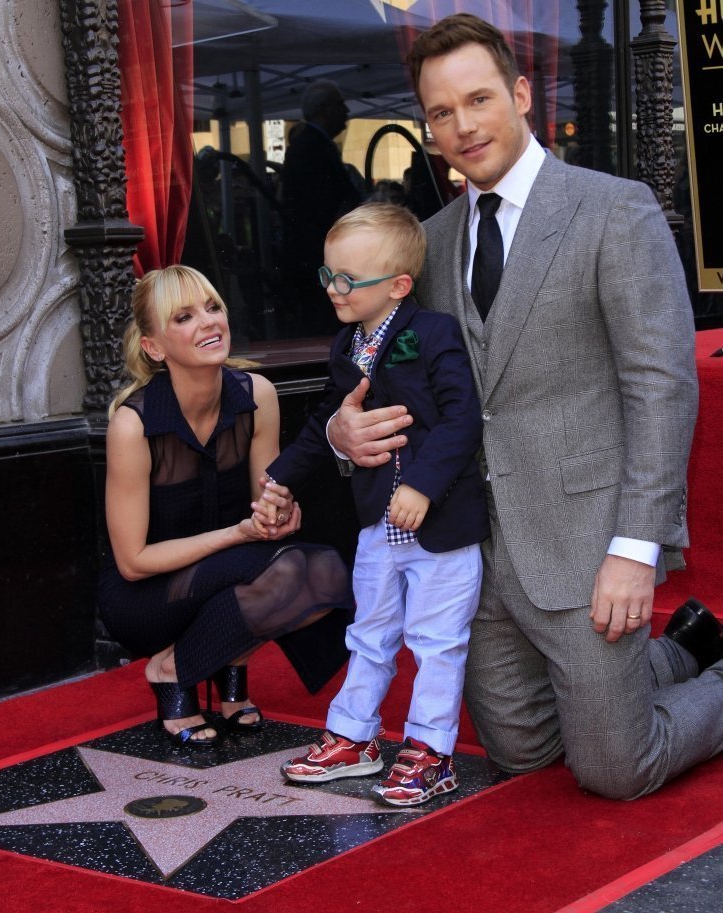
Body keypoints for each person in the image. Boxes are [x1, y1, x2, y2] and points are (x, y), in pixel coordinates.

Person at [326, 13, 723, 800]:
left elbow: (661, 385)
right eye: (441, 112)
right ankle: (678, 650)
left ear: (520, 93)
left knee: (615, 766)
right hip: (471, 552)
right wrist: (343, 431)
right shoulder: (427, 244)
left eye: (477, 99)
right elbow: (385, 369)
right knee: (523, 753)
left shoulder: (615, 208)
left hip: (584, 544)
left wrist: (636, 548)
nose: (463, 125)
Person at [262, 202, 488, 806]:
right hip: (376, 526)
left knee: (436, 640)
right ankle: (354, 737)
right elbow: (329, 423)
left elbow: (463, 419)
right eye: (328, 276)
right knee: (370, 632)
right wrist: (282, 476)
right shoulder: (347, 346)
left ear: (398, 286)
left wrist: (423, 484)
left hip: (439, 525)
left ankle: (430, 750)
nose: (334, 289)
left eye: (348, 280)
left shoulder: (433, 334)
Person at [98, 265, 353, 748]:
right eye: (184, 317)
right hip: (148, 597)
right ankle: (171, 668)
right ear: (154, 346)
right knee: (272, 568)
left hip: (227, 566)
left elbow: (266, 498)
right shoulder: (133, 425)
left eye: (213, 307)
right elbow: (132, 564)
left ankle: (225, 659)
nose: (208, 322)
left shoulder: (257, 396)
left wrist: (278, 514)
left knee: (319, 571)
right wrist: (240, 534)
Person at [280, 80, 363, 336]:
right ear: (324, 109)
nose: (347, 112)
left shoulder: (313, 144)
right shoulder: (312, 147)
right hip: (317, 256)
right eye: (340, 105)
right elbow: (320, 206)